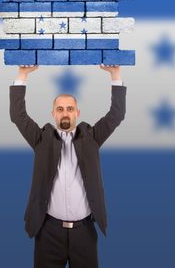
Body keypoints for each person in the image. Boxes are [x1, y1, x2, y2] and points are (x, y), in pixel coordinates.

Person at [9, 64, 127, 268]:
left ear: (77, 113)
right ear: (53, 113)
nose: (65, 113)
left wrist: (115, 74)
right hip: (48, 232)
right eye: (60, 109)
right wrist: (22, 74)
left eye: (70, 109)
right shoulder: (40, 139)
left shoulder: (92, 137)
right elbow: (18, 116)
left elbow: (116, 115)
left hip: (85, 233)